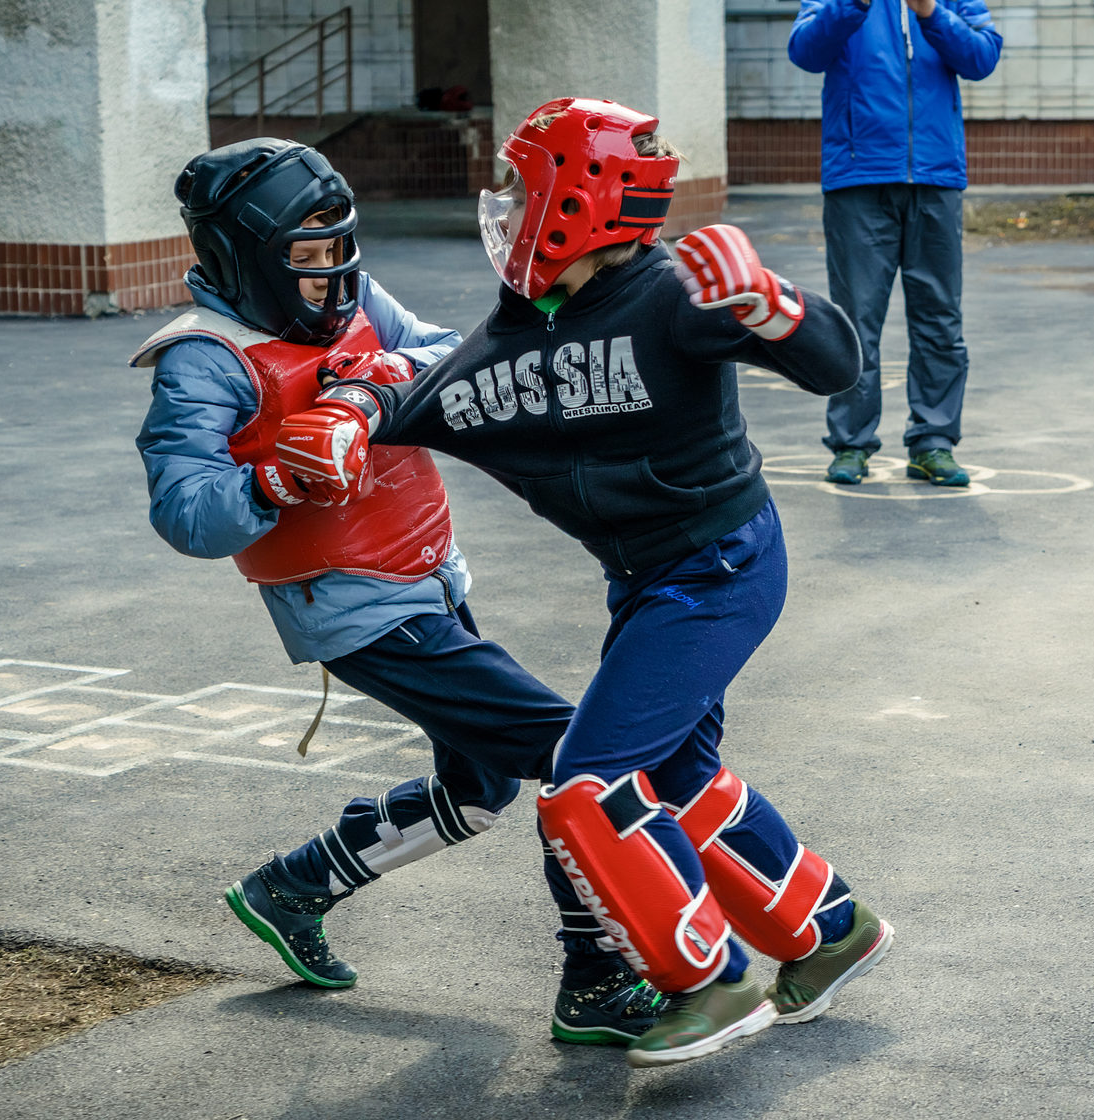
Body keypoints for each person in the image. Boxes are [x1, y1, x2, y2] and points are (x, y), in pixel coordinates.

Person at [275, 98, 894, 1068]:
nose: (509, 213)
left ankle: (709, 980)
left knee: (589, 781)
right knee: (675, 775)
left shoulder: (674, 298)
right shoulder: (518, 334)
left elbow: (838, 366)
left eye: (524, 192)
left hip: (723, 565)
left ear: (578, 199)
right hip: (646, 584)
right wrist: (353, 410)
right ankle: (830, 928)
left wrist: (774, 305)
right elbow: (420, 390)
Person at [131, 138, 662, 1049]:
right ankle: (598, 978)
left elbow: (445, 354)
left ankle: (293, 886)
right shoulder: (206, 360)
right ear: (241, 259)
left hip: (428, 573)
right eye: (307, 257)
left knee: (483, 783)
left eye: (340, 247)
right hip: (355, 609)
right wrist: (275, 480)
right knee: (581, 755)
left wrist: (373, 383)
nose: (333, 275)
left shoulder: (351, 303)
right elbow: (184, 512)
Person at [788, 0, 1002, 487]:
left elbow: (982, 57)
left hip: (935, 177)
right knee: (856, 318)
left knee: (939, 317)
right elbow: (805, 51)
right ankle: (851, 444)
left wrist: (930, 12)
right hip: (858, 177)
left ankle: (934, 442)